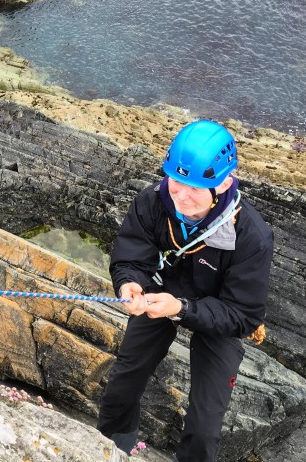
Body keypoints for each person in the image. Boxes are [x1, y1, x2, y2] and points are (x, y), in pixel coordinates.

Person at [96, 120, 274, 462]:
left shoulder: (251, 236)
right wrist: (129, 282)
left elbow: (244, 315)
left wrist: (181, 308)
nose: (181, 195)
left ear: (223, 183)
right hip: (160, 291)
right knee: (122, 384)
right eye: (176, 181)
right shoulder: (153, 201)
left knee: (205, 424)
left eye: (194, 187)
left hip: (220, 313)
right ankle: (109, 450)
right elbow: (132, 252)